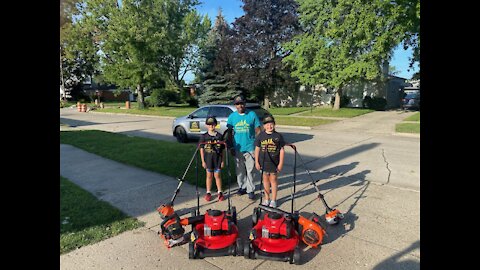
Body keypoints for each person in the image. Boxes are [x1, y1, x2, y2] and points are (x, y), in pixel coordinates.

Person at [226, 95, 261, 200]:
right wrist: (231, 147)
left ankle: (250, 190)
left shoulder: (252, 114)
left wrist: (257, 145)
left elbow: (258, 130)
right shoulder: (232, 117)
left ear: (245, 104)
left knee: (251, 170)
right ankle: (242, 187)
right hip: (237, 148)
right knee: (240, 171)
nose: (240, 105)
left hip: (250, 148)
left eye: (241, 103)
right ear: (235, 105)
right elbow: (229, 133)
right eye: (237, 104)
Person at [254, 115, 285, 208]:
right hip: (263, 162)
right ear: (263, 126)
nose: (269, 126)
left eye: (271, 124)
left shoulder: (278, 136)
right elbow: (257, 149)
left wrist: (280, 164)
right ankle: (267, 198)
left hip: (274, 163)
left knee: (273, 180)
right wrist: (256, 161)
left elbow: (282, 150)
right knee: (265, 181)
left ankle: (274, 200)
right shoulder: (260, 136)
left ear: (274, 125)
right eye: (267, 125)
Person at [199, 116, 225, 202]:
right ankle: (208, 192)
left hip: (217, 159)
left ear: (216, 125)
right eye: (209, 125)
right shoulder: (204, 137)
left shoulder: (219, 136)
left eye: (213, 125)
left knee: (217, 175)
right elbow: (201, 149)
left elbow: (222, 150)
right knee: (209, 176)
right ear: (206, 125)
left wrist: (222, 161)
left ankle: (220, 192)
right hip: (208, 160)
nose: (211, 126)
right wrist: (203, 161)